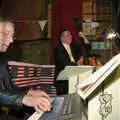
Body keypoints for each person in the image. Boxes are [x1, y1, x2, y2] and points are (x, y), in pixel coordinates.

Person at [0, 21, 51, 120]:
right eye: (5, 33)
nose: (11, 40)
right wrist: (24, 99)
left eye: (12, 35)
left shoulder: (2, 57)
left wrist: (28, 92)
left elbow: (8, 87)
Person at [54, 30, 87, 95]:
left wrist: (84, 37)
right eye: (68, 35)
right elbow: (67, 64)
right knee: (66, 101)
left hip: (73, 77)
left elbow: (87, 47)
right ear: (62, 38)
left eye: (70, 35)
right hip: (63, 81)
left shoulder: (73, 46)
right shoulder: (59, 49)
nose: (70, 37)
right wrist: (78, 63)